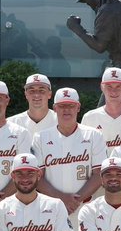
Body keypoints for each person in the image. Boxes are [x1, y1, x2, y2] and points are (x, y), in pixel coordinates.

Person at [35, 88, 107, 223]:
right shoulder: (40, 137)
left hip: (87, 207)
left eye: (71, 105)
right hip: (52, 208)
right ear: (55, 108)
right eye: (62, 106)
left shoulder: (94, 135)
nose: (66, 110)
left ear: (78, 108)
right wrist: (62, 198)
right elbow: (38, 177)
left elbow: (99, 174)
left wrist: (75, 200)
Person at [82, 68, 121, 152]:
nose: (113, 92)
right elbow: (84, 149)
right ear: (102, 88)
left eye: (118, 86)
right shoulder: (90, 118)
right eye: (109, 87)